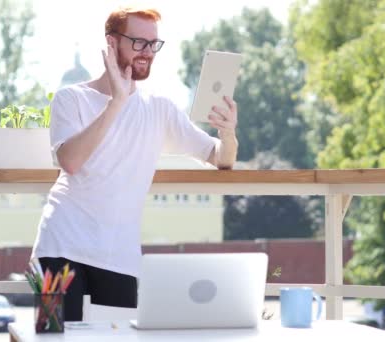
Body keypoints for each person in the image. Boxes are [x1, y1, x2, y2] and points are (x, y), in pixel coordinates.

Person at [30, 6, 238, 321]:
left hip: (120, 258)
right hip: (59, 247)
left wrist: (228, 132)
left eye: (153, 44)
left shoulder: (160, 109)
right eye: (138, 42)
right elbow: (70, 162)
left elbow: (220, 157)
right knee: (52, 334)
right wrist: (117, 101)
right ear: (111, 44)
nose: (148, 52)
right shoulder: (71, 99)